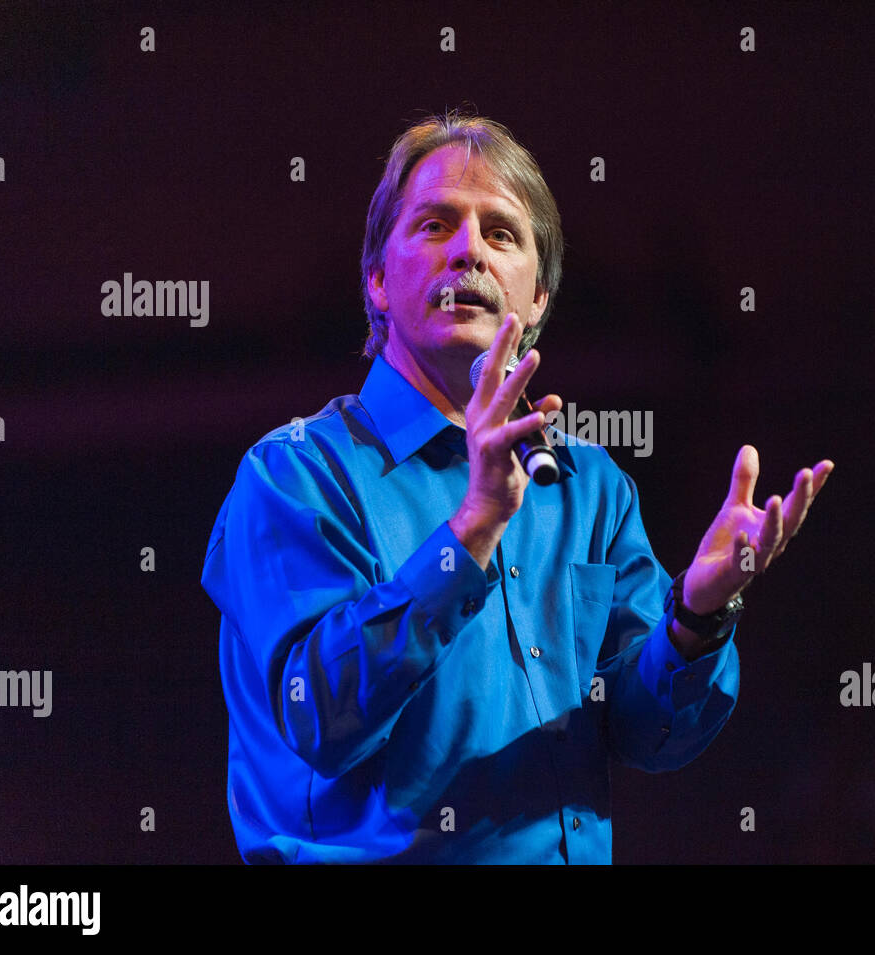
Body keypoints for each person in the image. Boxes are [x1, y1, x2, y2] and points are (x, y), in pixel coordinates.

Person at [200, 111, 833, 864]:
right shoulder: (296, 475)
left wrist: (697, 614)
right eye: (435, 225)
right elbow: (321, 718)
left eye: (501, 233)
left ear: (536, 299)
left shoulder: (589, 488)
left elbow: (650, 733)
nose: (468, 248)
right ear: (376, 280)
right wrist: (472, 530)